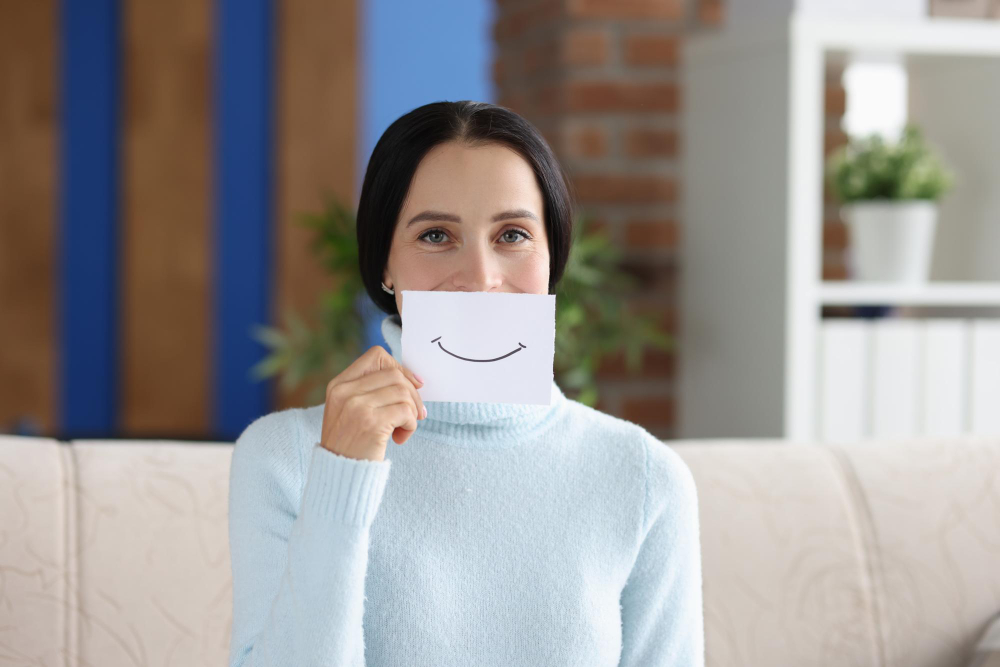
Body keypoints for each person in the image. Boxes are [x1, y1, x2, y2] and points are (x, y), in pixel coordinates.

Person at [227, 100, 704, 667]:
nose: (480, 279)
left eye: (512, 235)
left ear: (552, 257)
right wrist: (341, 478)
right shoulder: (284, 458)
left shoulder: (645, 477)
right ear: (383, 263)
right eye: (434, 235)